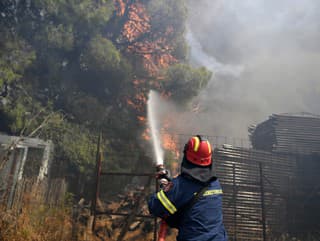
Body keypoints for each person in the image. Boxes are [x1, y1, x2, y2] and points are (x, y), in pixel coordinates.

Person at [148, 135, 228, 241]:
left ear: (187, 156)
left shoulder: (181, 186)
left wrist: (167, 186)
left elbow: (155, 207)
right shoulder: (215, 183)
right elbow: (195, 207)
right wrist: (172, 185)